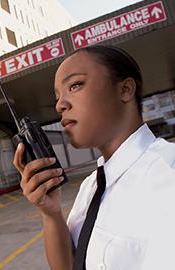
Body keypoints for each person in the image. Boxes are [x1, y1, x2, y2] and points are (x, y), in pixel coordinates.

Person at [13, 45, 175, 270]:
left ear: (125, 90)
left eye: (75, 85)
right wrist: (51, 213)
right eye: (58, 97)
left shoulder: (168, 174)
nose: (60, 105)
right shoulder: (90, 186)